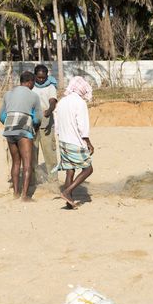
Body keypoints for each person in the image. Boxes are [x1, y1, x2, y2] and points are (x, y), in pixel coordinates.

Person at [0, 71, 42, 201]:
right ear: (29, 82)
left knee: (16, 162)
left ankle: (16, 193)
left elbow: (2, 116)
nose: (34, 85)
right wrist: (33, 126)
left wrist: (10, 124)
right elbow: (38, 118)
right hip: (24, 130)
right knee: (27, 163)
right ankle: (25, 195)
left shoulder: (8, 94)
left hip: (9, 131)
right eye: (33, 82)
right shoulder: (34, 96)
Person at [54, 76, 94, 209]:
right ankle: (66, 192)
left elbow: (57, 124)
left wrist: (60, 136)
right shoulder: (80, 103)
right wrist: (87, 141)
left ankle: (68, 201)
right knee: (88, 169)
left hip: (63, 141)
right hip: (75, 141)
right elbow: (82, 125)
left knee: (70, 170)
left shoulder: (62, 102)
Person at [32, 64, 58, 183]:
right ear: (35, 76)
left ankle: (53, 180)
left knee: (49, 153)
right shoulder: (31, 86)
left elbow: (52, 101)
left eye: (43, 77)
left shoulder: (51, 87)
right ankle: (32, 180)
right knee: (32, 152)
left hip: (46, 122)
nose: (41, 80)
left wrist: (49, 110)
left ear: (47, 76)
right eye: (39, 77)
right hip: (32, 123)